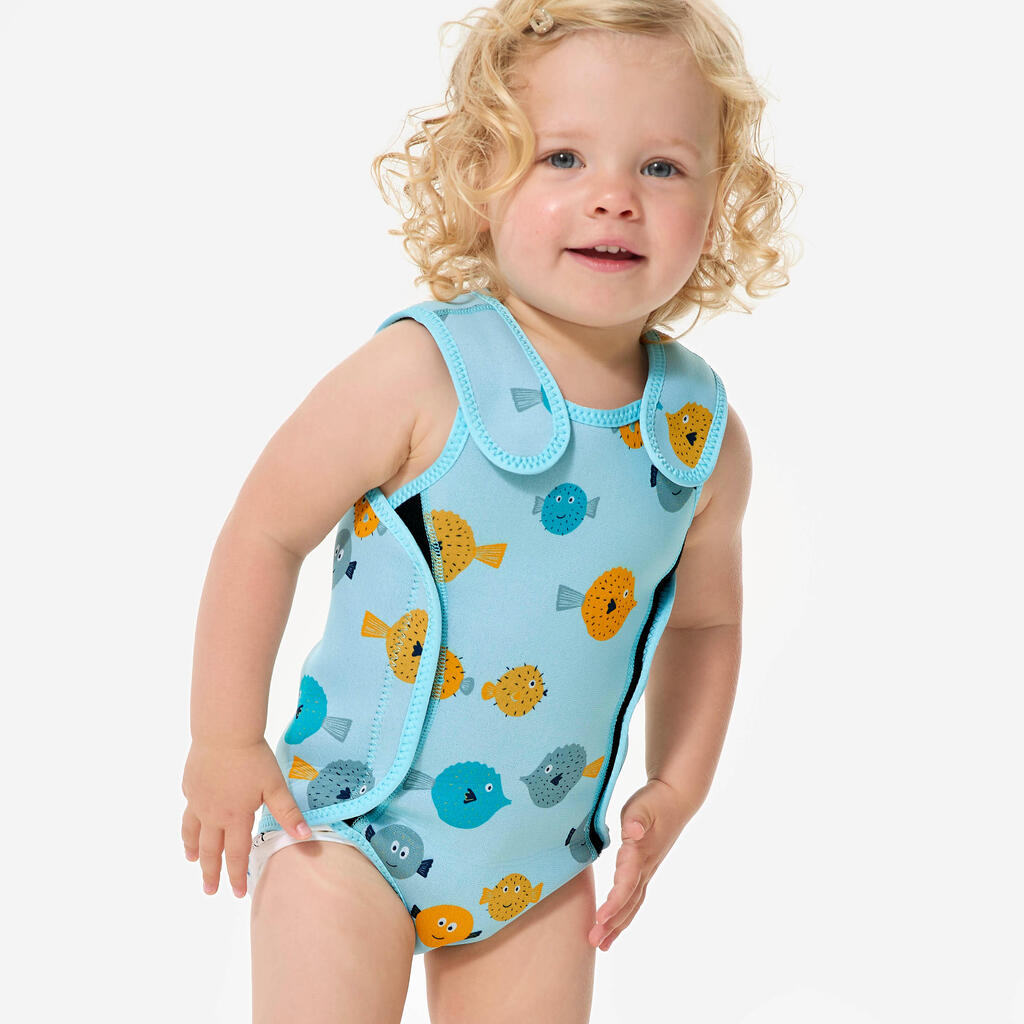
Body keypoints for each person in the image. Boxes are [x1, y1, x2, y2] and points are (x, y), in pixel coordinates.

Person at [181, 0, 798, 1020]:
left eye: (661, 167)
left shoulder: (697, 435)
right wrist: (223, 741)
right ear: (481, 176)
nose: (614, 198)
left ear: (719, 198)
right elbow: (265, 529)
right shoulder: (421, 370)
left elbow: (704, 624)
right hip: (341, 826)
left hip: (536, 865)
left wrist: (677, 788)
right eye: (563, 158)